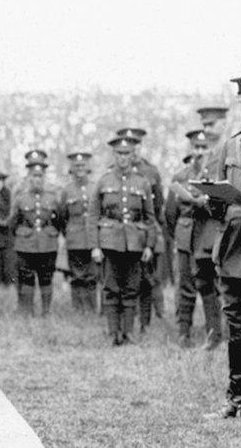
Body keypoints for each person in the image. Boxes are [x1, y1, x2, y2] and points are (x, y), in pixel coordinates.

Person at [206, 76, 241, 418]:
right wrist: (220, 199)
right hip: (238, 250)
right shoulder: (229, 147)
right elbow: (213, 201)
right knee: (238, 327)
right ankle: (238, 399)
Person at [88, 136, 155, 346]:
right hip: (109, 242)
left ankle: (128, 333)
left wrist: (149, 245)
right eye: (119, 154)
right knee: (110, 287)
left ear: (133, 155)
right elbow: (92, 216)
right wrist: (95, 246)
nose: (123, 158)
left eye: (127, 154)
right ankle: (112, 332)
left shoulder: (142, 183)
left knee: (131, 288)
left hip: (134, 243)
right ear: (114, 155)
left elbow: (150, 218)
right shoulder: (104, 181)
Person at [166, 129, 222, 348]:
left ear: (210, 149)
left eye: (204, 148)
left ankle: (214, 335)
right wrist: (179, 234)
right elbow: (170, 213)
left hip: (207, 238)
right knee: (185, 286)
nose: (199, 152)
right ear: (190, 149)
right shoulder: (180, 177)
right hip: (186, 237)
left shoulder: (216, 177)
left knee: (208, 286)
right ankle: (183, 333)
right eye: (196, 148)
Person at [115, 127, 165, 331]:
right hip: (124, 235)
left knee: (146, 279)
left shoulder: (151, 172)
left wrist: (151, 233)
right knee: (124, 279)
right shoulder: (113, 172)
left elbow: (158, 204)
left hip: (146, 232)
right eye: (127, 147)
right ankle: (126, 322)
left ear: (139, 146)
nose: (131, 151)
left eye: (135, 145)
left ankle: (145, 322)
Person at [9, 161, 63, 315]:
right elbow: (13, 222)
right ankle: (28, 311)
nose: (37, 179)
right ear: (29, 177)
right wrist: (23, 235)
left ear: (44, 177)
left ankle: (46, 311)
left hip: (47, 244)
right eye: (34, 176)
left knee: (46, 277)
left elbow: (59, 220)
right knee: (27, 277)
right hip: (26, 245)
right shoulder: (21, 198)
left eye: (40, 176)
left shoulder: (53, 198)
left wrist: (50, 233)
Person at [60, 152, 98, 312]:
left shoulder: (95, 188)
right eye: (77, 166)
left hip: (92, 239)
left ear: (88, 167)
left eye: (83, 166)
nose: (80, 169)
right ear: (72, 169)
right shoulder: (67, 190)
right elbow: (62, 217)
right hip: (74, 239)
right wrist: (69, 234)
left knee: (92, 275)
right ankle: (78, 309)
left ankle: (91, 308)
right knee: (77, 275)